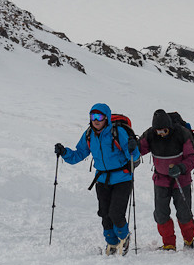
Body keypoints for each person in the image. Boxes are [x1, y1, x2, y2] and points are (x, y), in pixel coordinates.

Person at [54, 104, 140, 255]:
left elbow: (134, 157)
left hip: (122, 178)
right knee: (104, 213)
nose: (95, 120)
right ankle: (112, 243)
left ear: (106, 118)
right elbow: (78, 155)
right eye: (92, 117)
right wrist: (64, 152)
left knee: (116, 213)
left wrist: (133, 148)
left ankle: (124, 237)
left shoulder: (118, 132)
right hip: (102, 179)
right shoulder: (89, 134)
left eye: (99, 117)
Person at [138, 109, 194, 251]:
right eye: (158, 131)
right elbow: (139, 150)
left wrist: (181, 167)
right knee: (160, 214)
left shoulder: (182, 133)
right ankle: (169, 244)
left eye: (164, 131)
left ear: (169, 127)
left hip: (181, 179)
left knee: (184, 214)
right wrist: (132, 146)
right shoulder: (150, 134)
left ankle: (189, 241)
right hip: (161, 180)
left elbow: (192, 157)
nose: (161, 134)